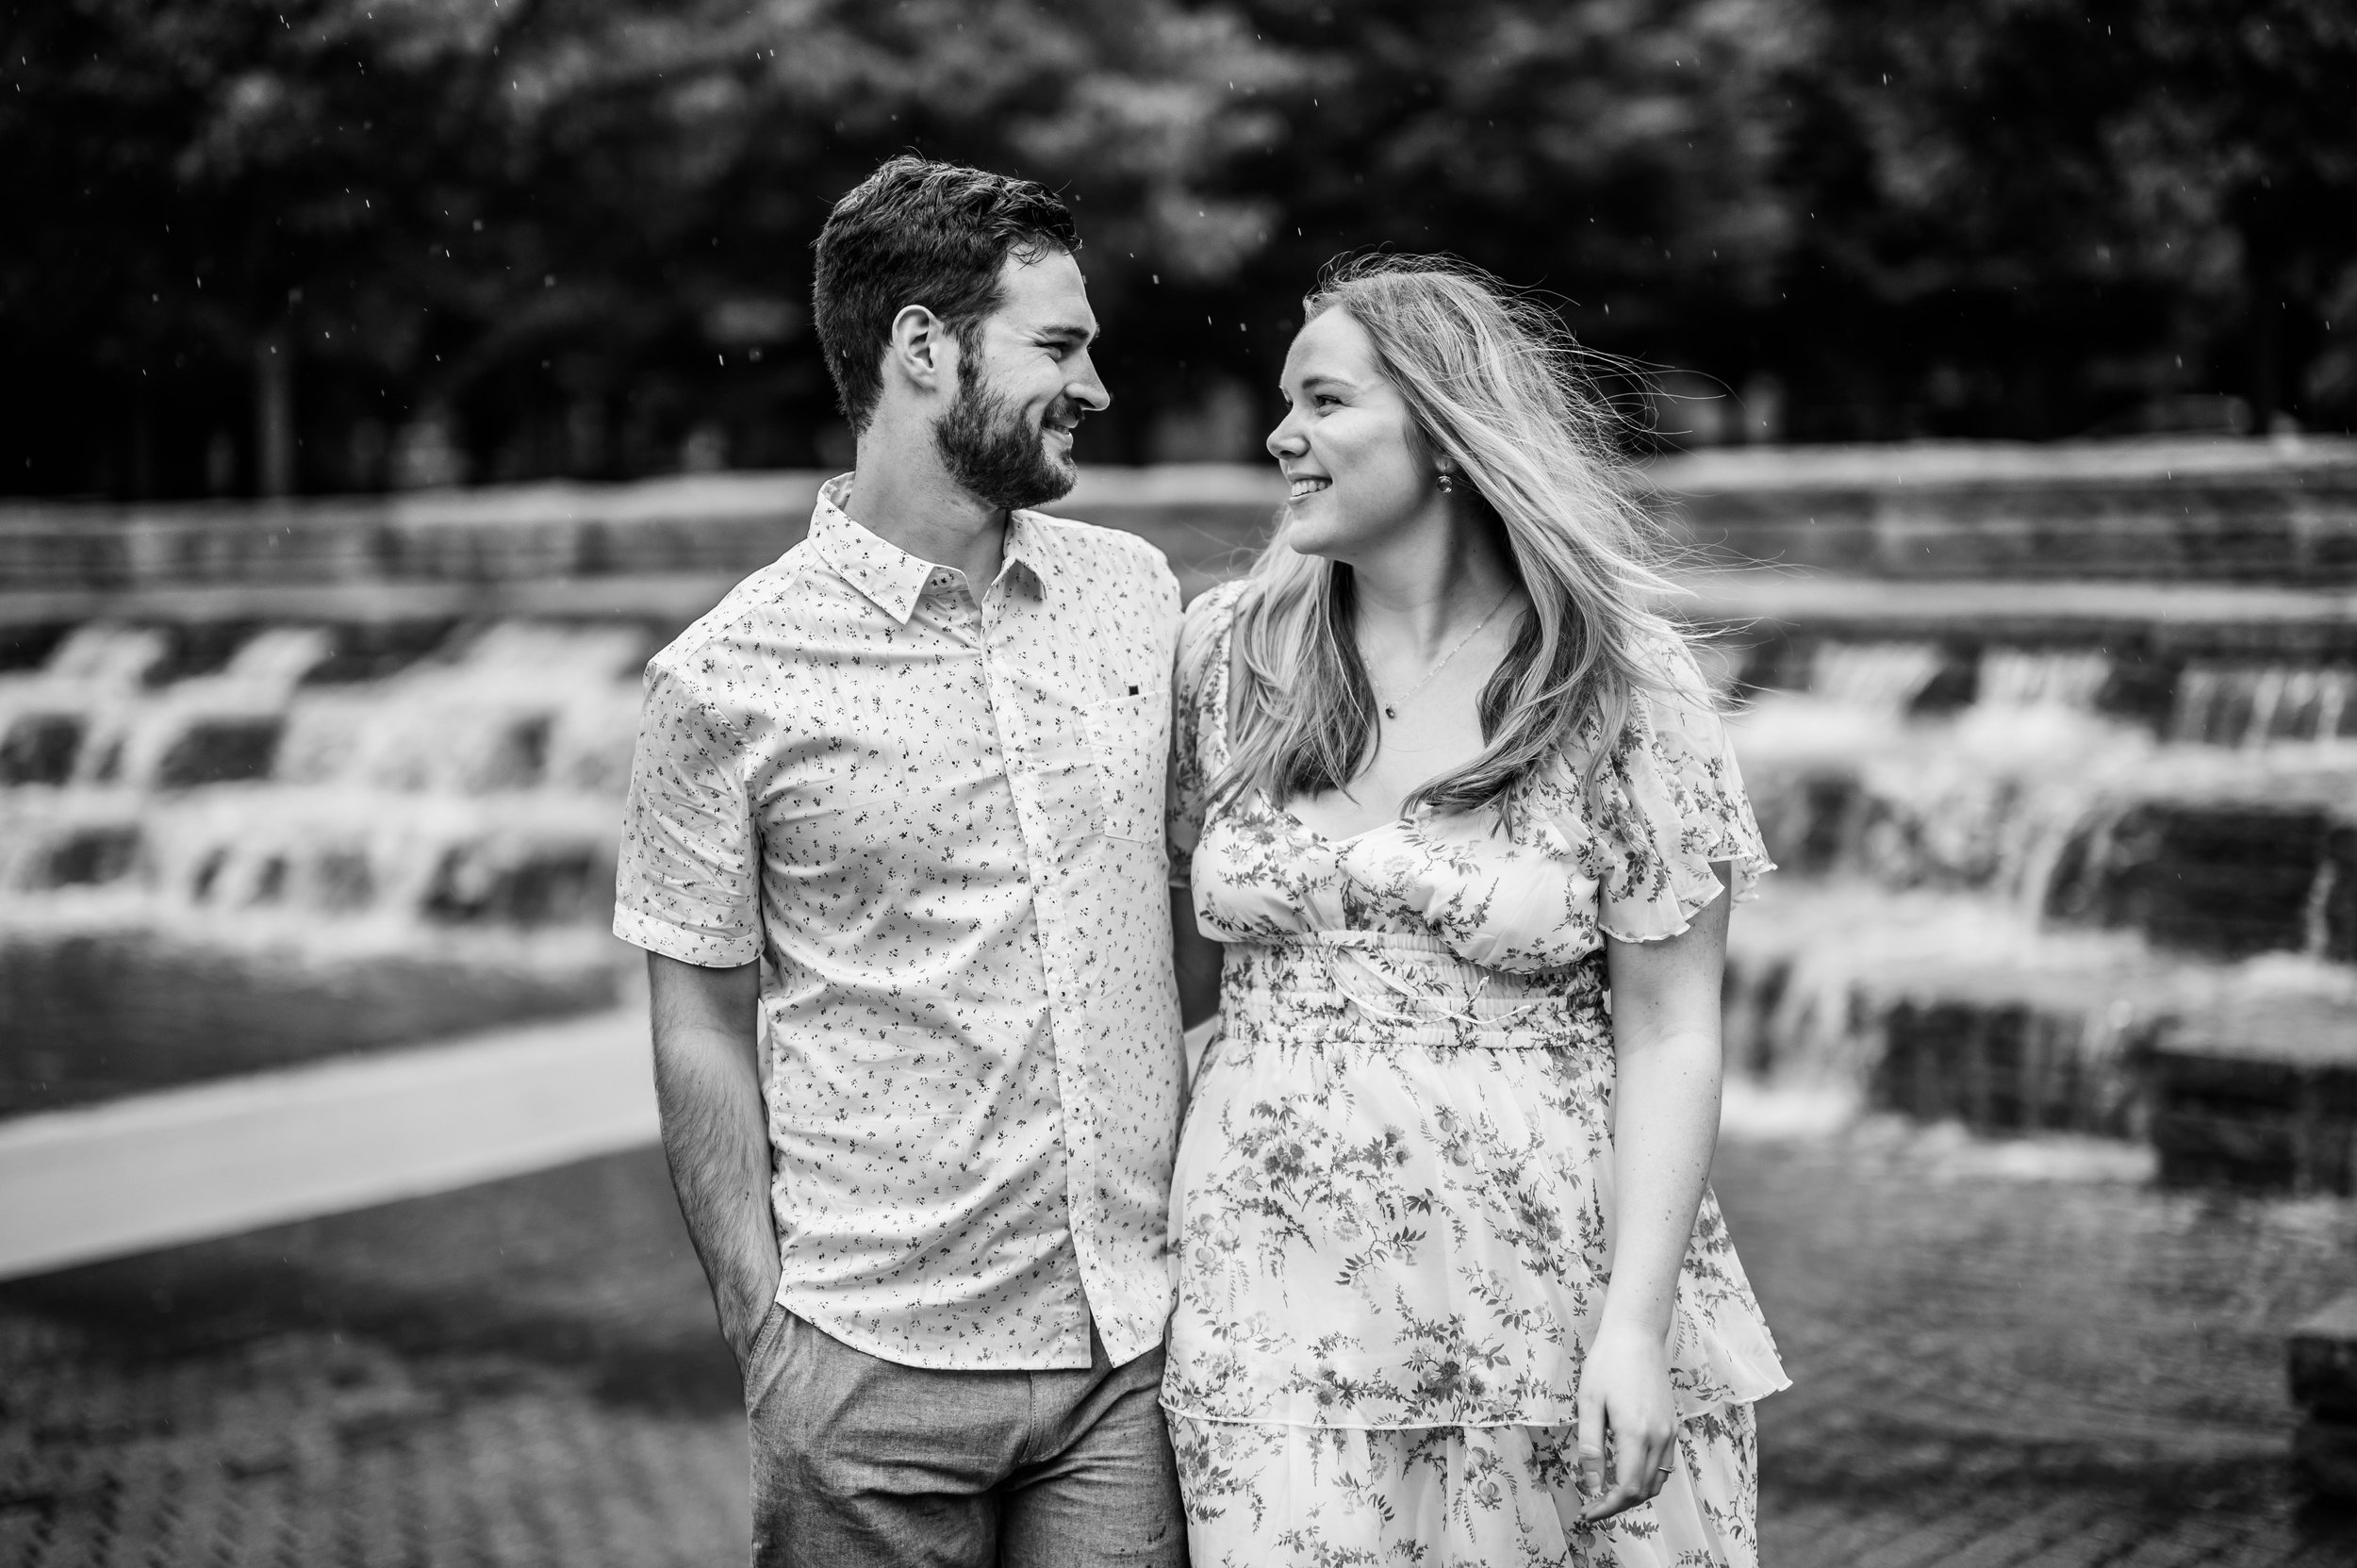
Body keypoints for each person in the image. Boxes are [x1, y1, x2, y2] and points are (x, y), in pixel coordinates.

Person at [1160, 255, 1788, 1567]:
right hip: (1269, 1308)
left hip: (1547, 1297)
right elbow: (1168, 984)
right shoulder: (1226, 658)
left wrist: (1634, 1324)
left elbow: (1671, 1034)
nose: (1282, 435)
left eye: (1324, 402)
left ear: (1444, 435)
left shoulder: (1624, 685)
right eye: (1286, 403)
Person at [613, 156, 1187, 1567]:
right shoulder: (718, 679)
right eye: (1059, 346)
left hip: (1138, 1357)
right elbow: (695, 1022)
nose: (1096, 387)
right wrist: (769, 1336)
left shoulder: (1138, 596)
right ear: (922, 347)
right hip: (867, 1373)